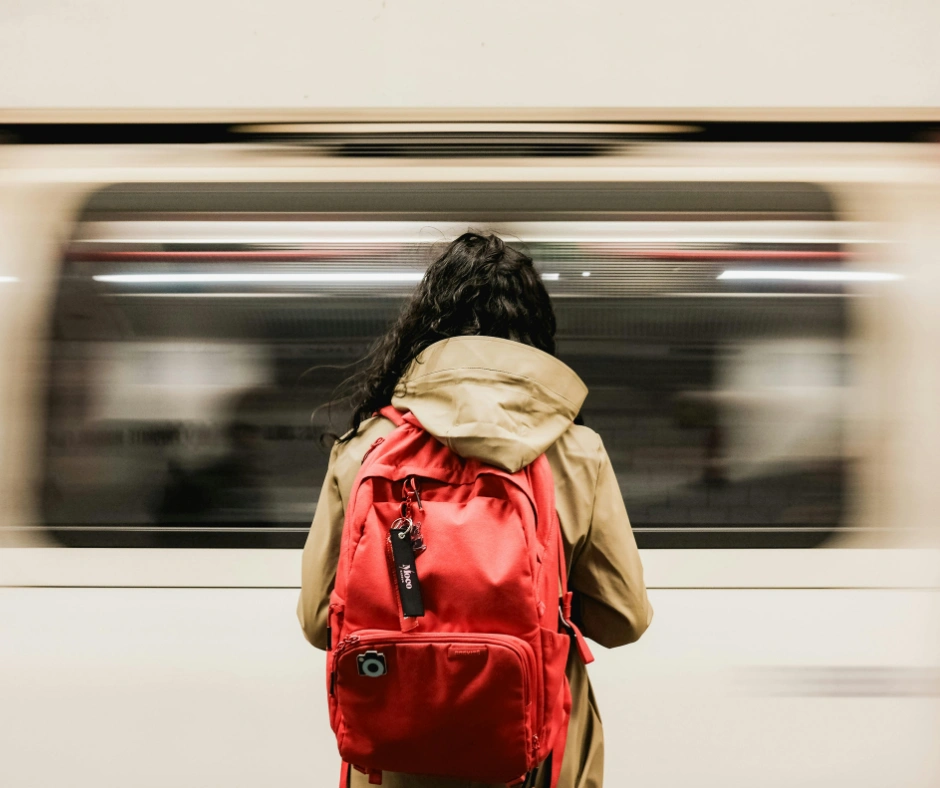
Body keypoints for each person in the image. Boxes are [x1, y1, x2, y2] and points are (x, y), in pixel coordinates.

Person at [298, 232, 653, 788]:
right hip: (538, 759)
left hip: (398, 762)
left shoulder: (365, 447)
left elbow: (321, 623)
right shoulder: (576, 451)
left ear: (425, 327)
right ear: (533, 333)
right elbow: (624, 619)